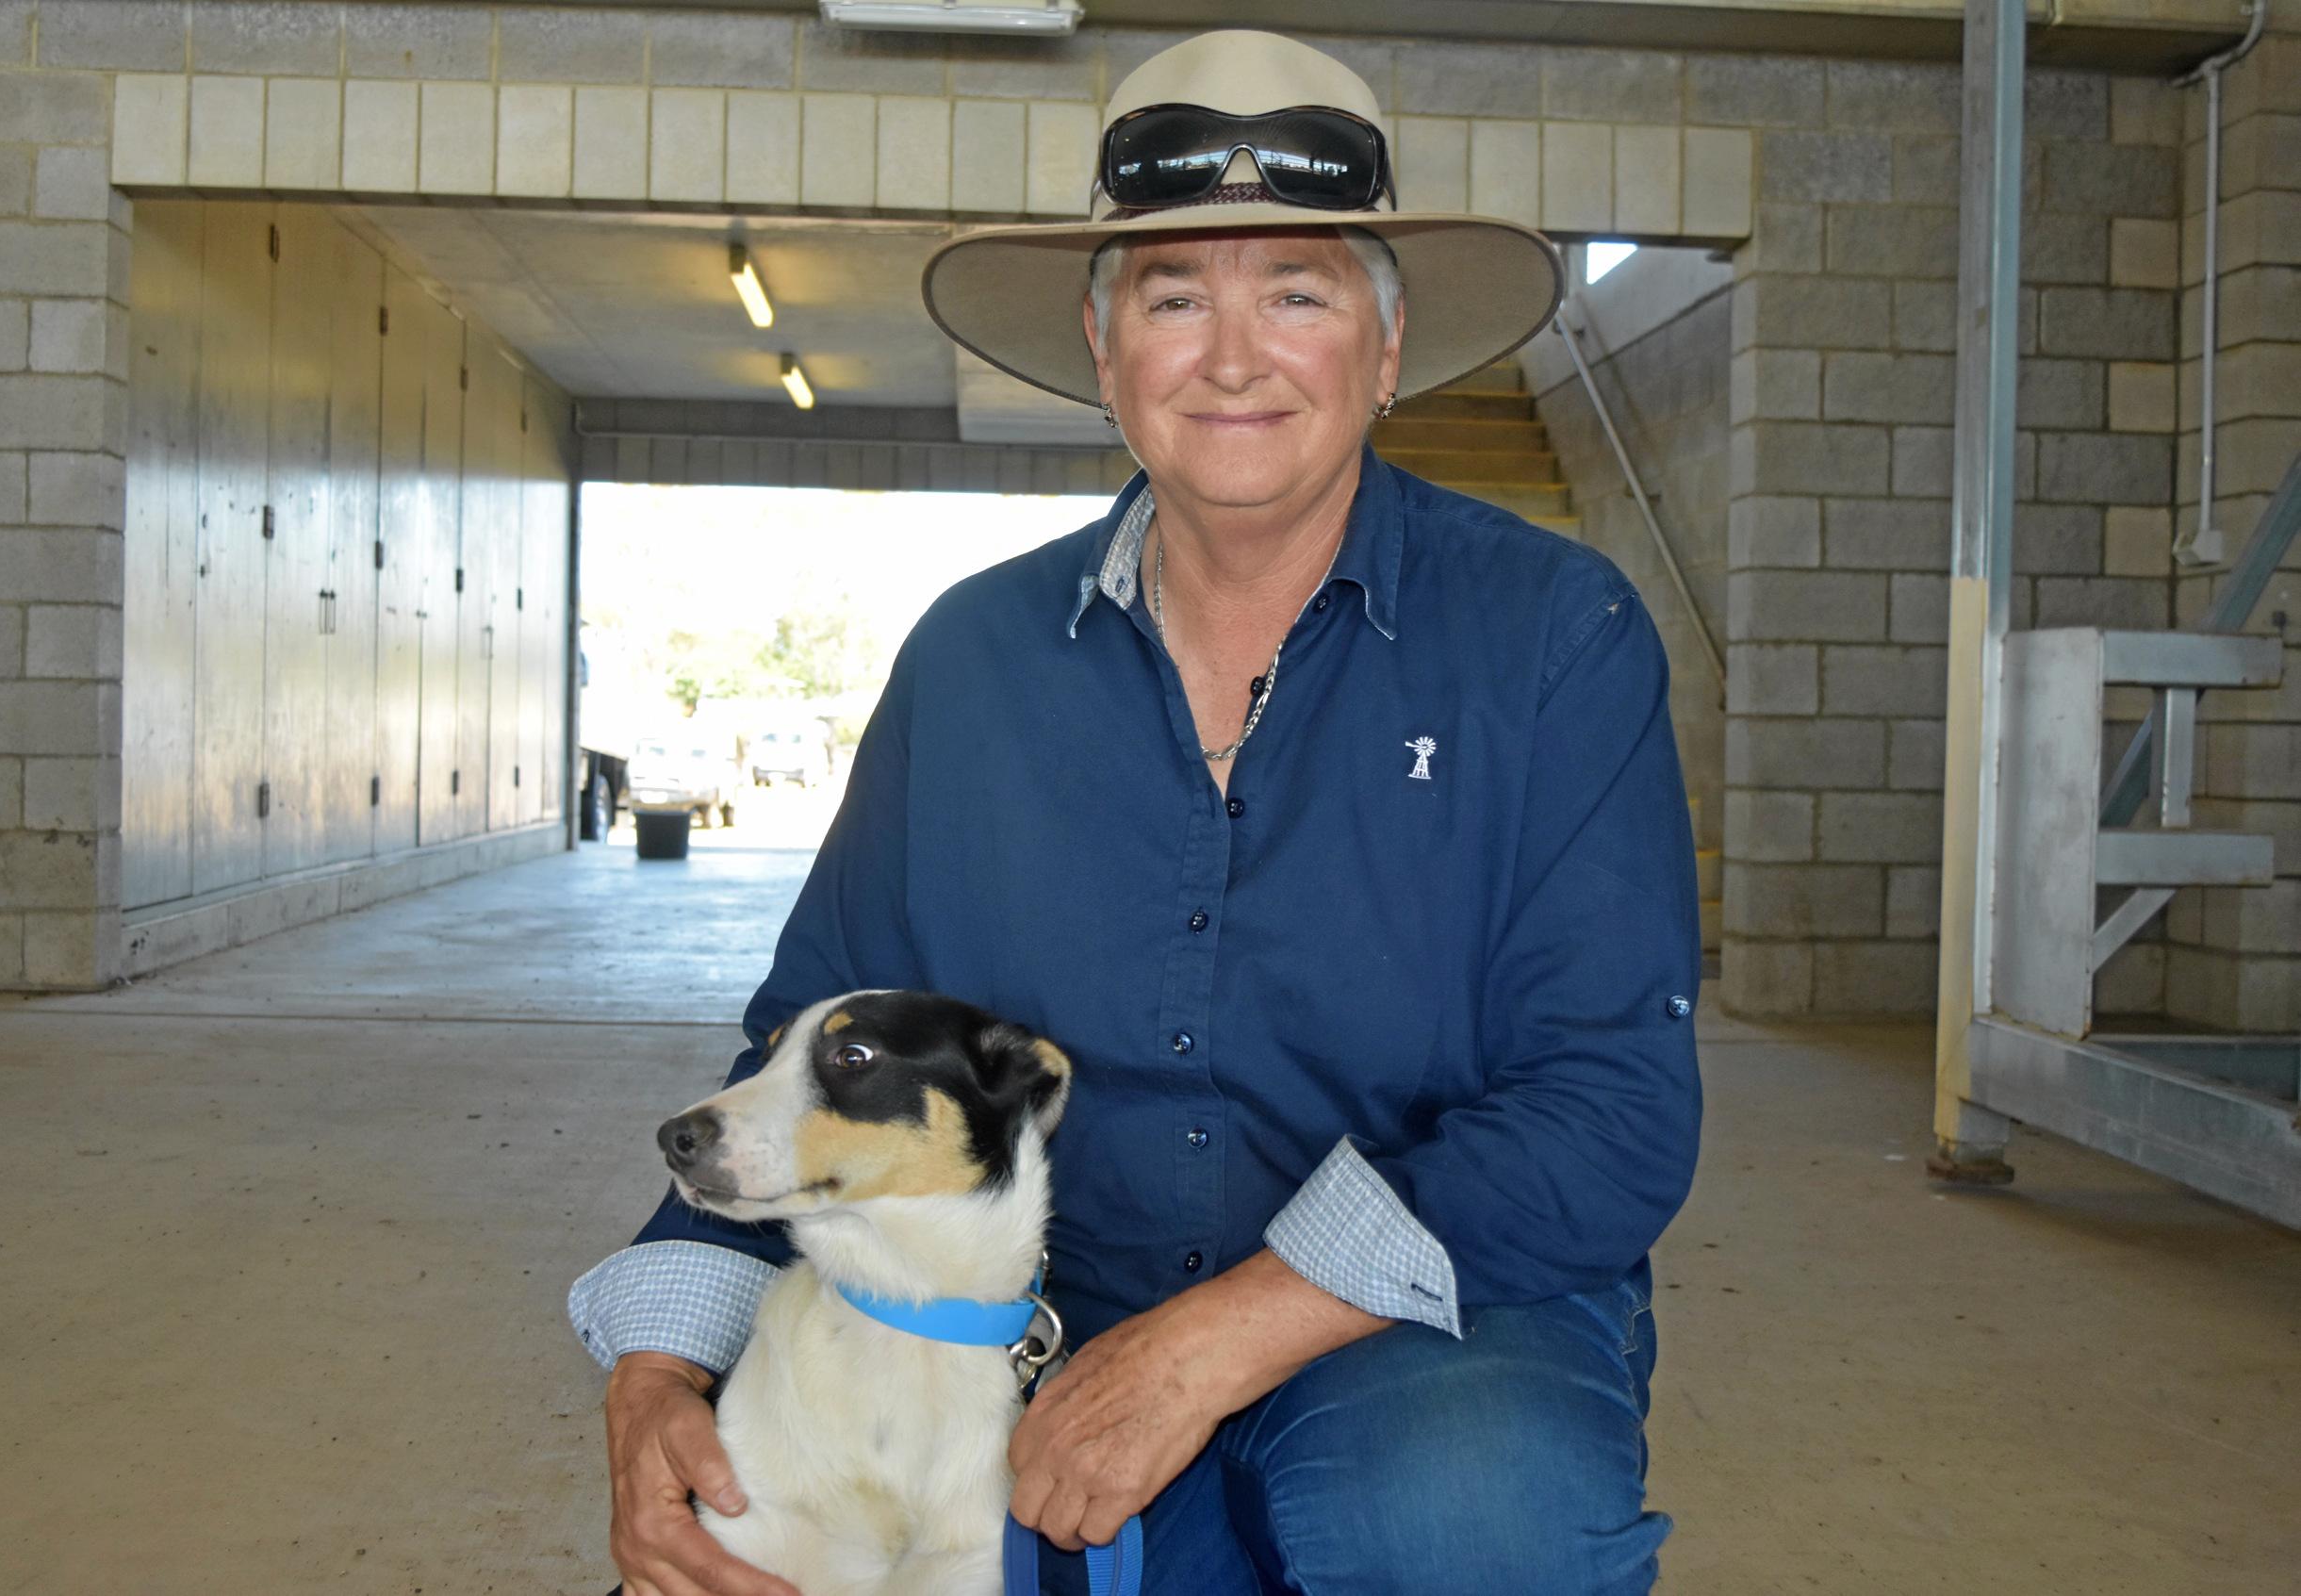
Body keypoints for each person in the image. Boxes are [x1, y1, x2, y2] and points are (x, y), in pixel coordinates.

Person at [571, 29, 1701, 1596]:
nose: (1232, 357)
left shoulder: (1552, 640)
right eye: (1175, 297)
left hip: (1443, 1316)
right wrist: (657, 1365)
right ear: (1105, 357)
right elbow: (806, 1042)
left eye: (1296, 293)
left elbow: (1608, 1112)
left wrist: (1215, 1339)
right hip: (1048, 1312)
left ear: (1384, 347)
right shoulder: (971, 663)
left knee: (1462, 1522)